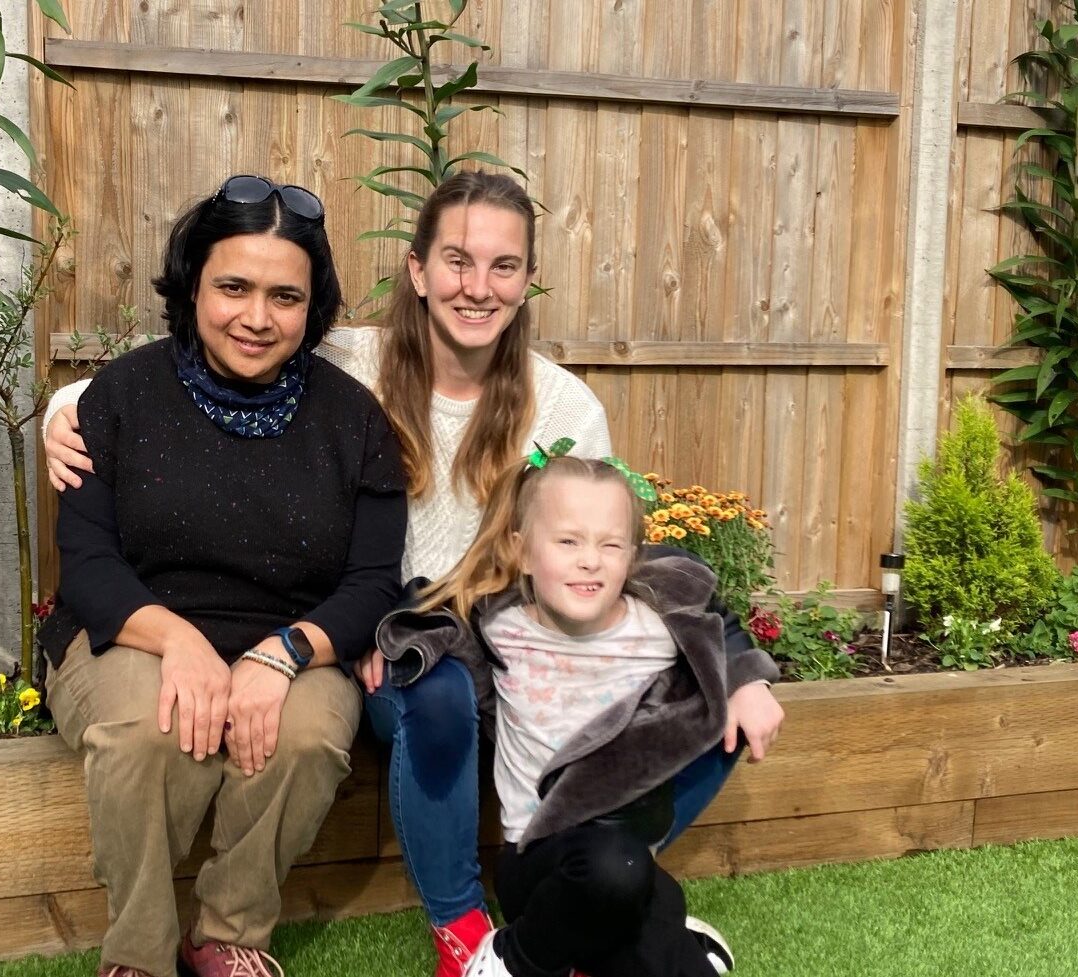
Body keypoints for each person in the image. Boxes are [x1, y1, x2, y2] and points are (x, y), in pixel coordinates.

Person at [42, 171, 783, 977]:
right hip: (389, 644)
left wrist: (736, 661)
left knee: (697, 701)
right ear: (417, 269)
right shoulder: (348, 361)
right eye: (458, 261)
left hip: (457, 635)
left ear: (529, 278)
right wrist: (62, 409)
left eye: (504, 266)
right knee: (420, 695)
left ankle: (589, 890)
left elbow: (607, 547)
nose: (478, 287)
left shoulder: (543, 409)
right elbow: (172, 383)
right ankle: (451, 922)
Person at [38, 174, 407, 977]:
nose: (256, 316)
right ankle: (137, 952)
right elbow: (90, 568)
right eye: (233, 287)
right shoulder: (122, 397)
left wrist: (281, 654)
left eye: (285, 296)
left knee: (305, 736)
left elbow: (375, 582)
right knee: (146, 730)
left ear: (313, 308)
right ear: (192, 285)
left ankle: (227, 935)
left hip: (295, 639)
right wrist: (182, 643)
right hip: (130, 629)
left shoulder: (354, 421)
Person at [382, 452, 782, 977]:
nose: (589, 560)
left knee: (653, 932)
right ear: (522, 553)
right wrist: (393, 641)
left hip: (630, 846)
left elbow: (713, 616)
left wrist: (747, 679)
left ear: (633, 557)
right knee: (617, 873)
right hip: (539, 856)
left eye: (609, 545)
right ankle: (512, 959)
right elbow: (430, 606)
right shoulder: (502, 623)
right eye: (568, 542)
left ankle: (676, 947)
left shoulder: (659, 628)